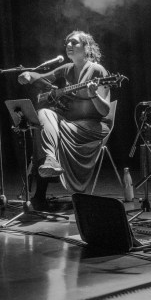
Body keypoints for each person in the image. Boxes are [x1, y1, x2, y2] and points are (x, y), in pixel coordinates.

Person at [17, 31, 112, 210]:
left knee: (44, 132)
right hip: (69, 123)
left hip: (92, 126)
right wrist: (29, 75)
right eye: (67, 42)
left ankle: (39, 196)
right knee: (44, 113)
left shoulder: (98, 71)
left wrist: (93, 95)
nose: (69, 45)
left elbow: (105, 110)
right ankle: (50, 160)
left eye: (74, 43)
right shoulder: (67, 68)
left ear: (87, 47)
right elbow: (43, 78)